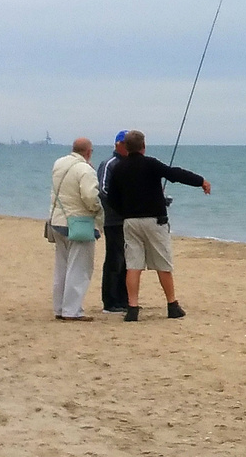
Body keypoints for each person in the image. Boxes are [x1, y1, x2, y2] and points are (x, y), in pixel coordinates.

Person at [103, 129, 211, 321]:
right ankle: (172, 305)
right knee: (163, 263)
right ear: (143, 146)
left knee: (133, 266)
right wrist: (200, 181)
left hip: (130, 222)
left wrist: (125, 212)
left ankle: (132, 308)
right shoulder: (150, 164)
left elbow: (111, 198)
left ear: (126, 147)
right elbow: (175, 174)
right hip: (155, 221)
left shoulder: (119, 168)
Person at [48, 137, 103, 321]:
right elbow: (90, 196)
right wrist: (97, 209)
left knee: (61, 267)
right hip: (78, 223)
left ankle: (59, 308)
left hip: (57, 220)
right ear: (88, 152)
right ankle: (72, 310)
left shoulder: (59, 163)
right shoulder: (85, 169)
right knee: (79, 269)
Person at [96, 131, 130, 313]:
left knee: (128, 261)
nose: (128, 147)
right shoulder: (109, 163)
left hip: (131, 220)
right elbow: (102, 190)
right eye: (125, 143)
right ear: (118, 144)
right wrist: (121, 206)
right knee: (114, 260)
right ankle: (110, 301)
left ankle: (124, 299)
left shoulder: (131, 164)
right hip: (114, 220)